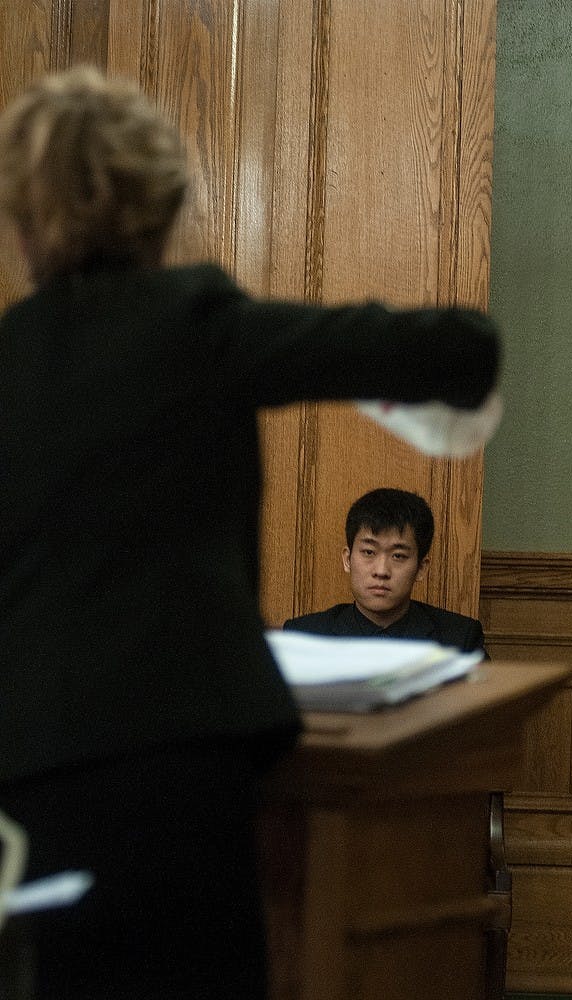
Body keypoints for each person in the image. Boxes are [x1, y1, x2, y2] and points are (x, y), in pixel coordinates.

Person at [0, 66, 500, 1000]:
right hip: (183, 764)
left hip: (29, 768)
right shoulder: (198, 325)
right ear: (167, 205)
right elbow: (454, 348)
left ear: (25, 219)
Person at [284, 488, 488, 655]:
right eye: (369, 552)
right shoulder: (303, 637)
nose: (381, 571)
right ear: (347, 560)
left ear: (421, 568)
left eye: (398, 556)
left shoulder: (460, 640)